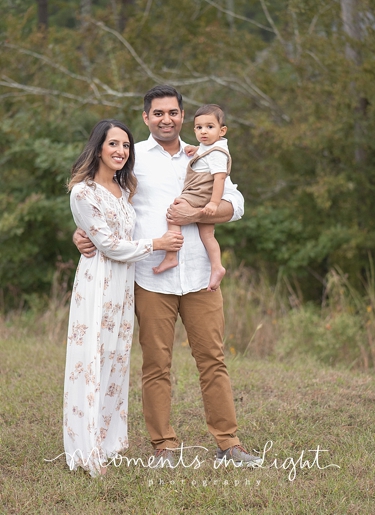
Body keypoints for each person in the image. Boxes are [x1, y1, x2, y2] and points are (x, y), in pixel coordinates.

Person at [73, 85, 261, 467]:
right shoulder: (132, 157)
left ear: (182, 116)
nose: (166, 119)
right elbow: (104, 199)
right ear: (146, 118)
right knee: (156, 364)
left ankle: (229, 443)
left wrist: (197, 215)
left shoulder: (205, 153)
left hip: (199, 275)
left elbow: (235, 204)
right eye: (157, 113)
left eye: (173, 112)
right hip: (149, 277)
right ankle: (164, 445)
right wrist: (82, 232)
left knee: (212, 358)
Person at [63, 119, 183, 477]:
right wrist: (157, 245)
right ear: (98, 146)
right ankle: (85, 448)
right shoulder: (82, 192)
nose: (120, 151)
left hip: (123, 285)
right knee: (92, 359)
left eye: (126, 146)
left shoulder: (123, 188)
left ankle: (108, 440)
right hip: (98, 281)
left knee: (115, 361)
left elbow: (118, 229)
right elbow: (109, 245)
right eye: (113, 144)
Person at [153, 104, 230, 292]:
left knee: (175, 211)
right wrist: (196, 150)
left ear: (222, 130)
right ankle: (217, 266)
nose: (203, 131)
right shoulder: (208, 149)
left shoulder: (217, 154)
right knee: (208, 234)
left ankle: (171, 256)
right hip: (203, 195)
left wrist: (214, 203)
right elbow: (206, 157)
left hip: (198, 193)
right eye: (199, 127)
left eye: (210, 127)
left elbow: (219, 178)